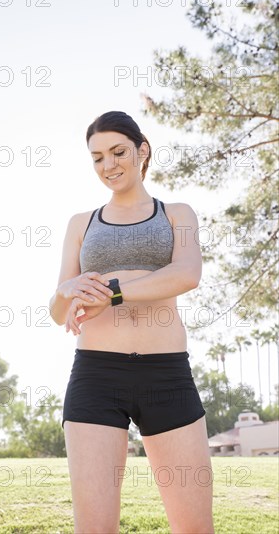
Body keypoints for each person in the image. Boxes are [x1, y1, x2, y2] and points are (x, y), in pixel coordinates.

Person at [49, 111, 214, 534]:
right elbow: (58, 309)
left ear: (142, 151)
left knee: (195, 528)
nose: (109, 165)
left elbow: (186, 275)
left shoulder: (178, 213)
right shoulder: (80, 223)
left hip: (167, 376)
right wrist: (68, 291)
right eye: (97, 157)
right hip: (95, 377)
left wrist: (110, 289)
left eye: (118, 152)